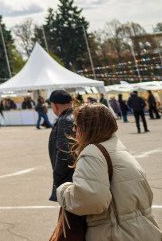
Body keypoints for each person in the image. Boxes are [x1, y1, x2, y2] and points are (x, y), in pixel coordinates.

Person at [56, 102, 161, 239]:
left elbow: (91, 201)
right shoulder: (119, 149)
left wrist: (63, 191)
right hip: (143, 232)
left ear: (89, 128)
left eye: (76, 126)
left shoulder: (92, 153)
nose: (74, 130)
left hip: (114, 233)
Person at [47, 90, 75, 202]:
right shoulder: (74, 116)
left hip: (68, 179)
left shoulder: (65, 120)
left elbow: (65, 152)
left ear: (54, 105)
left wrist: (57, 177)